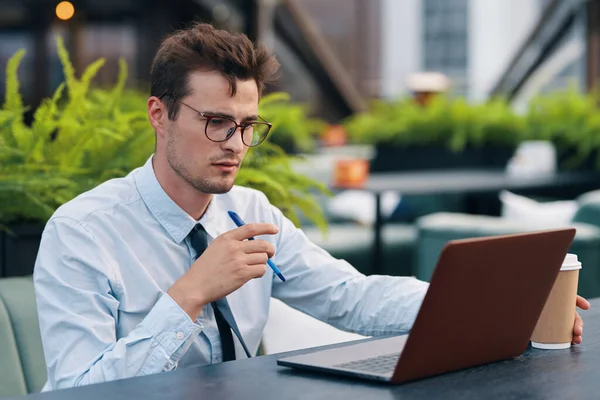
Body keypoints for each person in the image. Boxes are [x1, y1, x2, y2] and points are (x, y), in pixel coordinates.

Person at [33, 23, 589, 391]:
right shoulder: (83, 233)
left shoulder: (250, 211)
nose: (235, 144)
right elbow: (78, 388)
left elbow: (350, 298)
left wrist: (501, 302)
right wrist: (190, 294)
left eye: (248, 126)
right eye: (216, 122)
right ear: (160, 114)